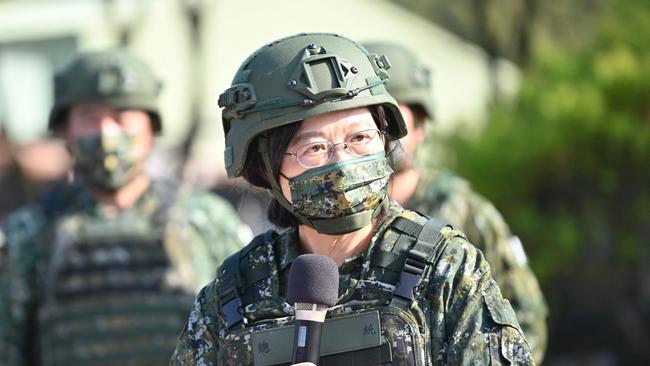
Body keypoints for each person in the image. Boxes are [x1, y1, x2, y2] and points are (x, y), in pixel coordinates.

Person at [171, 33, 534, 365]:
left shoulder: (446, 269)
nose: (343, 163)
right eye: (315, 148)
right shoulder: (234, 293)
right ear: (265, 168)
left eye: (360, 139)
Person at [0, 50, 247, 366]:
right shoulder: (29, 233)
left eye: (121, 116)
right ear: (66, 131)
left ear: (150, 127)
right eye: (89, 116)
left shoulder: (207, 220)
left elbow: (243, 338)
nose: (106, 133)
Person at [363, 41, 548, 364]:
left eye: (396, 124)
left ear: (420, 128)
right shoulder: (336, 224)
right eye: (373, 125)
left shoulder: (465, 211)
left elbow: (527, 318)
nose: (385, 138)